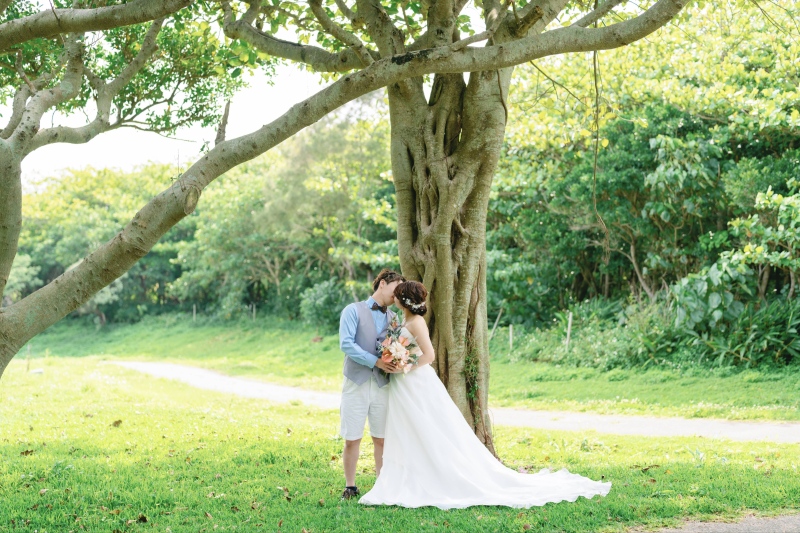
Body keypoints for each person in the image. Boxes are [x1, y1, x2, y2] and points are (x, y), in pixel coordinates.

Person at [359, 280, 611, 509]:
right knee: (406, 428)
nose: (394, 298)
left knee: (426, 426)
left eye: (398, 296)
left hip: (416, 382)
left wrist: (405, 365)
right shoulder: (403, 321)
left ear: (404, 300)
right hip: (403, 385)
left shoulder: (416, 323)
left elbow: (430, 356)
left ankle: (433, 473)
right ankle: (406, 473)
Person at [338, 268, 405, 500]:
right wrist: (375, 361)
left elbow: (398, 347)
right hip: (355, 383)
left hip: (382, 386)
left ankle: (381, 484)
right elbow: (346, 344)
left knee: (381, 438)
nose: (397, 298)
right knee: (352, 437)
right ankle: (350, 486)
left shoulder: (394, 319)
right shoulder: (352, 310)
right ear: (383, 284)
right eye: (396, 290)